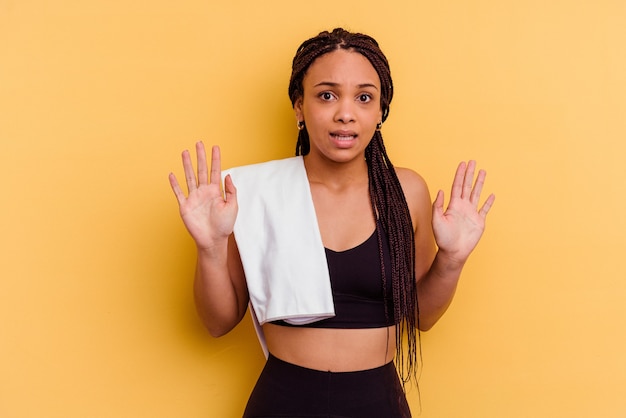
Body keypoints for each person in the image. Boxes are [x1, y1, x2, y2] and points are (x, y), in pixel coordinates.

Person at [168, 28, 495, 418]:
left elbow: (422, 317)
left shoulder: (405, 193)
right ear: (299, 107)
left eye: (363, 97)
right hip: (283, 401)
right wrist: (209, 248)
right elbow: (218, 322)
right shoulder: (253, 193)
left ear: (380, 111)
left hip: (378, 402)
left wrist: (451, 260)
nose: (345, 112)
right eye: (327, 95)